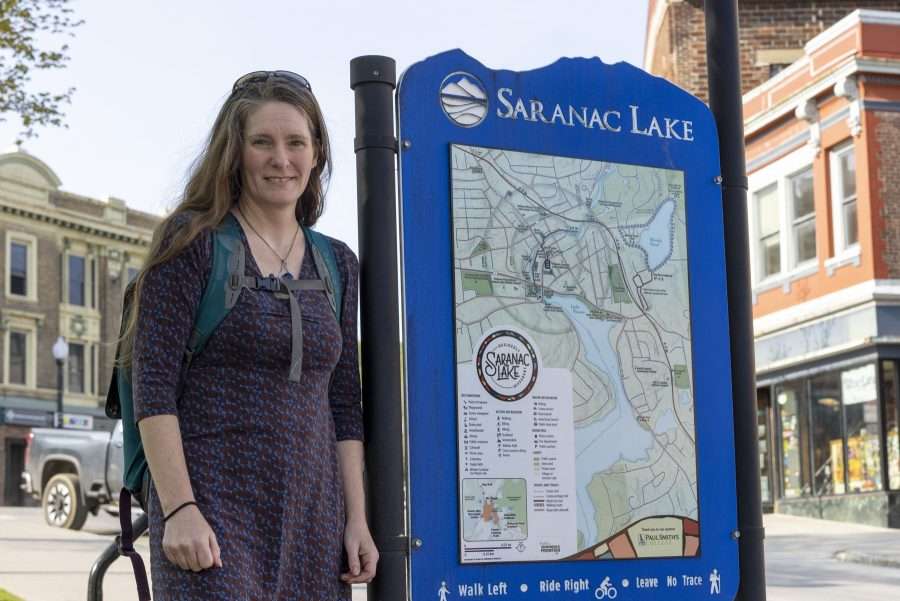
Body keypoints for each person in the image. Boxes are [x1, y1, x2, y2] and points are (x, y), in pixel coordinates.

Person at [118, 70, 378, 600]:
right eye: (262, 142)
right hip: (211, 512)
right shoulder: (193, 240)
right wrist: (180, 508)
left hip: (314, 520)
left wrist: (357, 519)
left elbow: (345, 403)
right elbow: (154, 388)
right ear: (235, 152)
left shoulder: (339, 264)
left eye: (296, 143)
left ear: (317, 153)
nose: (281, 159)